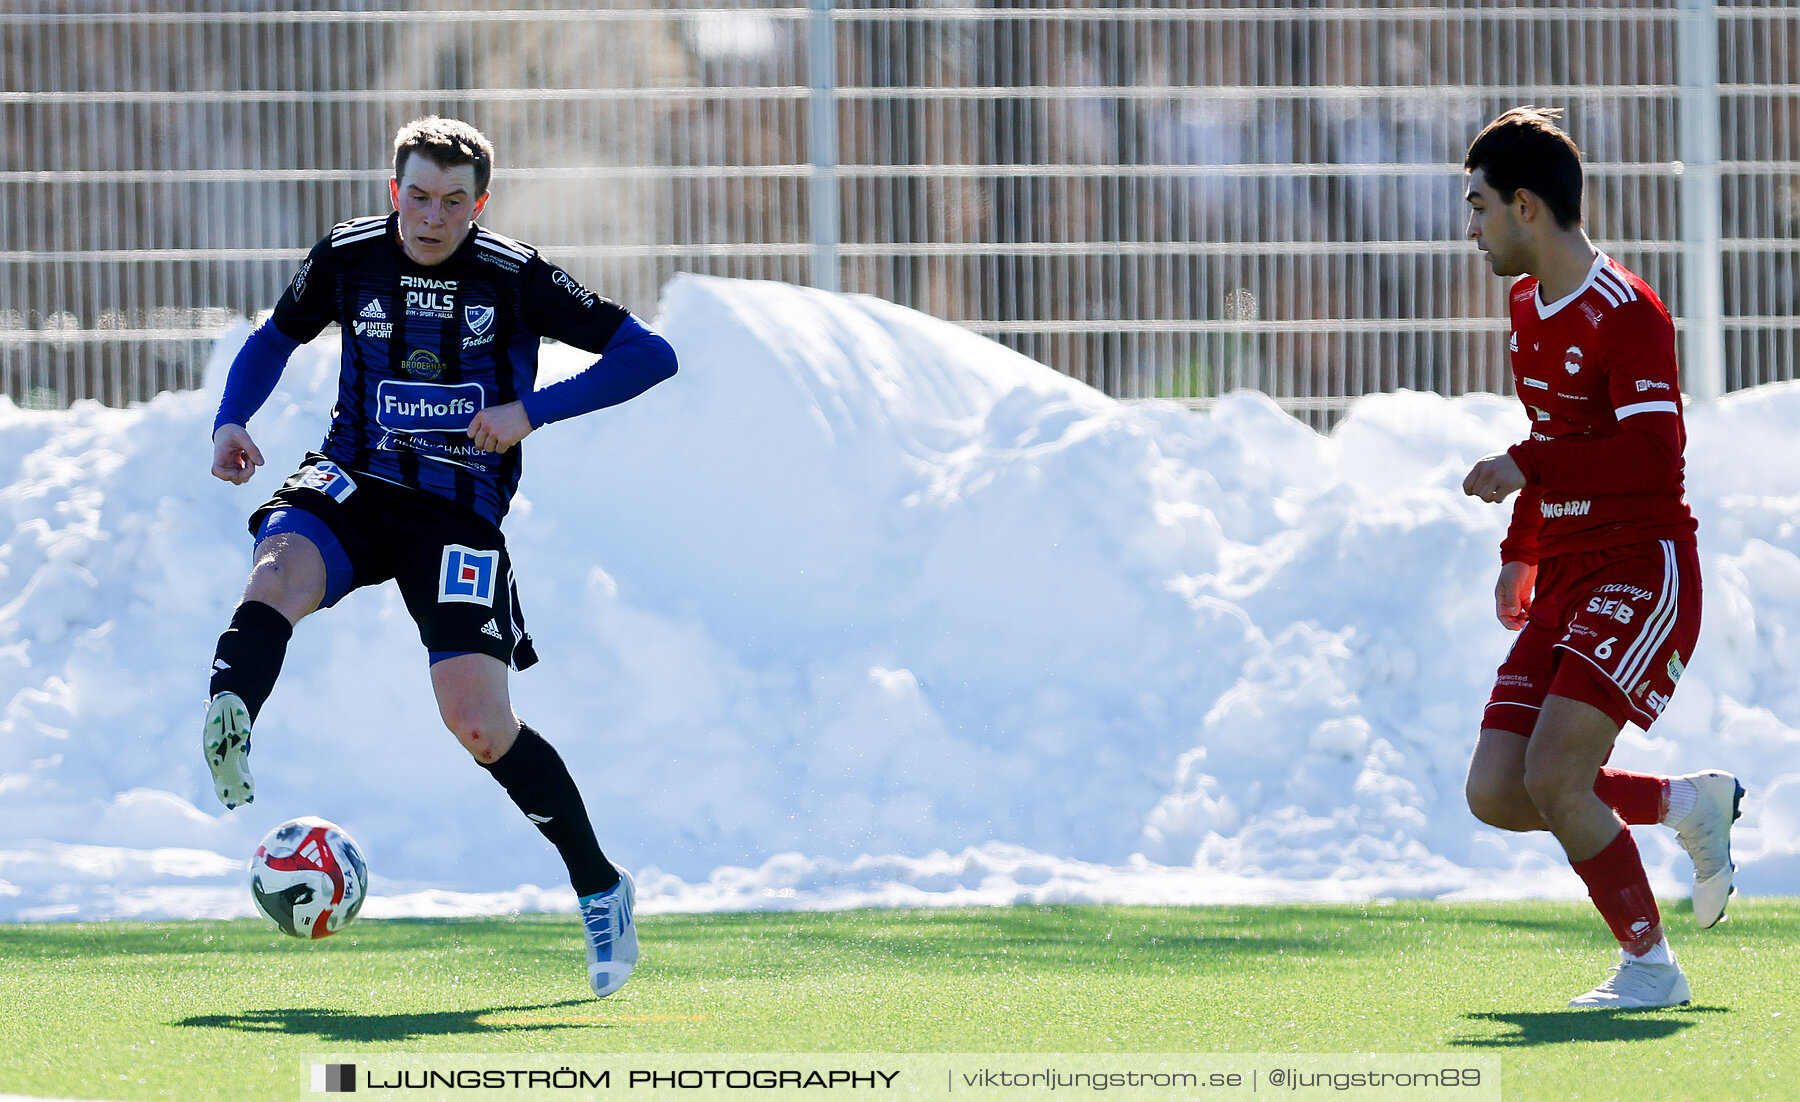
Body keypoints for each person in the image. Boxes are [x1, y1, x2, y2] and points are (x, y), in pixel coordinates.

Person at [203, 116, 676, 999]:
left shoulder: (515, 275)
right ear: (395, 191)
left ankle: (601, 889)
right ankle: (232, 702)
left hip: (457, 509)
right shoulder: (347, 258)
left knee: (478, 725)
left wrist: (529, 412)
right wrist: (233, 418)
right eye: (417, 196)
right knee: (278, 569)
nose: (431, 216)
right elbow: (275, 338)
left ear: (479, 205)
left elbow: (651, 355)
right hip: (352, 477)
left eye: (452, 202)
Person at [1459, 107, 1743, 1009]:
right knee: (1500, 790)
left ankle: (1651, 969)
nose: (1473, 230)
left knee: (1554, 776)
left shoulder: (1628, 311)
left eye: (1479, 208)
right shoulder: (1522, 304)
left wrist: (1526, 468)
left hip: (1640, 566)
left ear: (1526, 206)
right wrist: (1522, 546)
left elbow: (1651, 457)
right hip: (1569, 566)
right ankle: (1683, 805)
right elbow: (1555, 436)